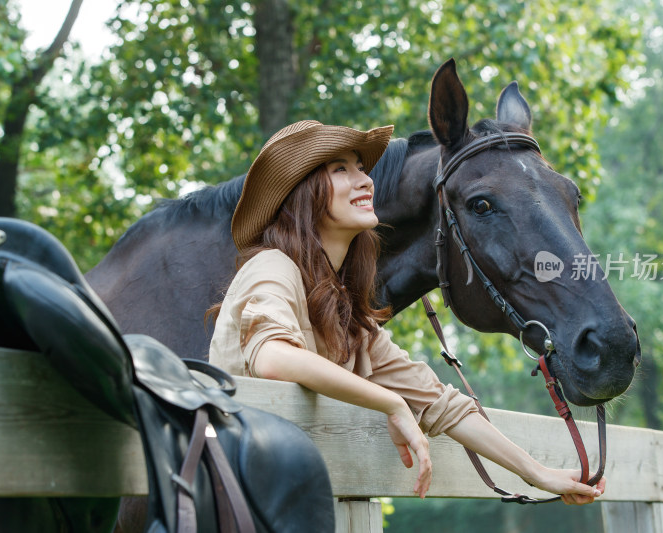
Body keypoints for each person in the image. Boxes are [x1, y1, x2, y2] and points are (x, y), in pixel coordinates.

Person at [207, 120, 605, 504]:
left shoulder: (348, 319)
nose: (365, 180)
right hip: (235, 503)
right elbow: (273, 356)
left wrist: (537, 473)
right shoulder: (273, 267)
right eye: (340, 169)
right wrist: (391, 402)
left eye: (361, 168)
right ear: (303, 193)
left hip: (283, 502)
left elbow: (441, 404)